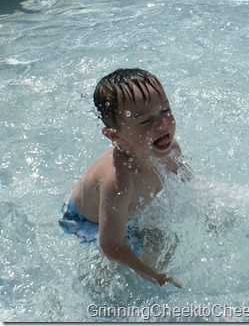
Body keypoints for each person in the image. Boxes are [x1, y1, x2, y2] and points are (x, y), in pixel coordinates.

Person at [59, 68, 188, 288]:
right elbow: (111, 246)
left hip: (108, 202)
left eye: (165, 110)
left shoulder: (171, 151)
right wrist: (154, 276)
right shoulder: (118, 184)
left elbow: (189, 185)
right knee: (155, 244)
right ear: (115, 136)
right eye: (145, 121)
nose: (162, 124)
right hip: (84, 220)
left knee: (164, 237)